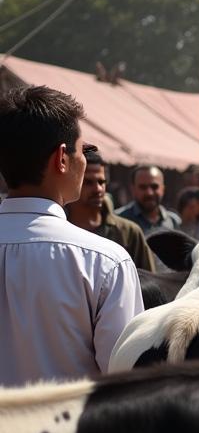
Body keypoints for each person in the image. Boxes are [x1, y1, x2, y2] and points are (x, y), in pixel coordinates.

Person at [0, 85, 143, 384]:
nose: (84, 160)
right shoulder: (105, 262)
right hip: (70, 430)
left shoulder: (103, 261)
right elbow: (126, 381)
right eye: (83, 150)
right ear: (62, 158)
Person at [64, 147, 155, 271]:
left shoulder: (128, 232)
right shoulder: (58, 230)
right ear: (72, 183)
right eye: (88, 182)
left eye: (101, 182)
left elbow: (150, 284)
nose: (98, 189)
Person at [116, 165, 181, 235]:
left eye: (154, 187)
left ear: (163, 189)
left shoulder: (173, 221)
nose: (149, 193)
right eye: (143, 187)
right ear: (133, 189)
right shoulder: (118, 220)